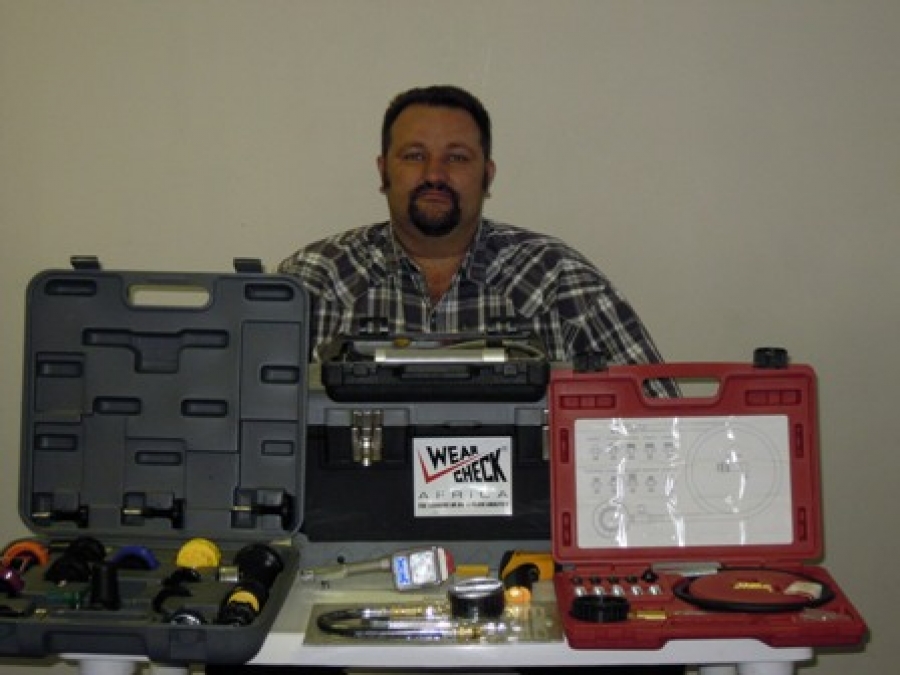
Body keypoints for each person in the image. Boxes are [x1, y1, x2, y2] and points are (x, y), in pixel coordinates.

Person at [209, 86, 681, 675]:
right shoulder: (315, 281)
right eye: (414, 155)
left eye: (457, 157)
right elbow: (232, 439)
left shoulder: (557, 278)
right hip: (333, 567)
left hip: (535, 573)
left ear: (488, 173)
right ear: (383, 170)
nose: (435, 174)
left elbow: (663, 426)